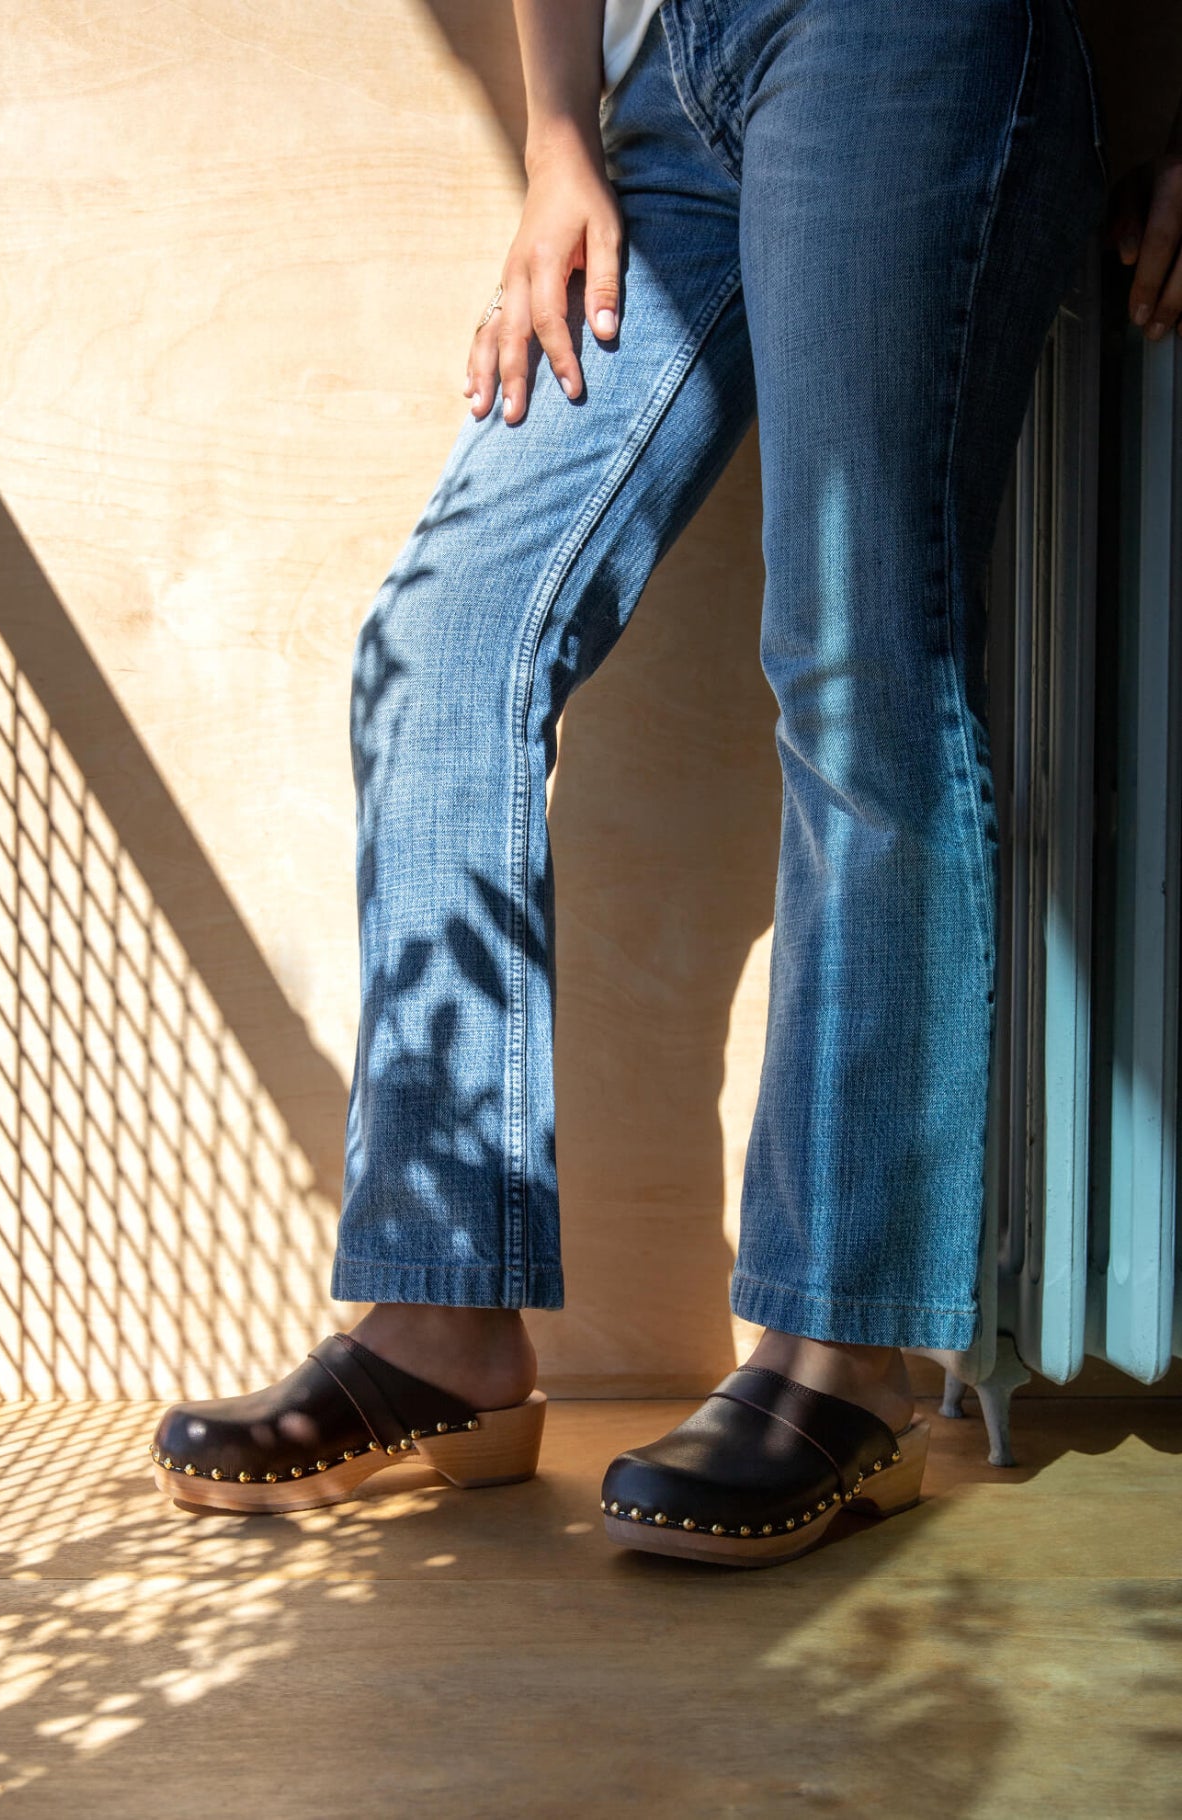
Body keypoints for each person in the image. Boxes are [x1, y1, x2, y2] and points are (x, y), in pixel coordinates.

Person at [149, 0, 1181, 1566]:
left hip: (906, 43)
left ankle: (845, 1354)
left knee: (859, 656)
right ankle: (442, 1325)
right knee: (441, 642)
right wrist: (556, 134)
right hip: (669, 79)